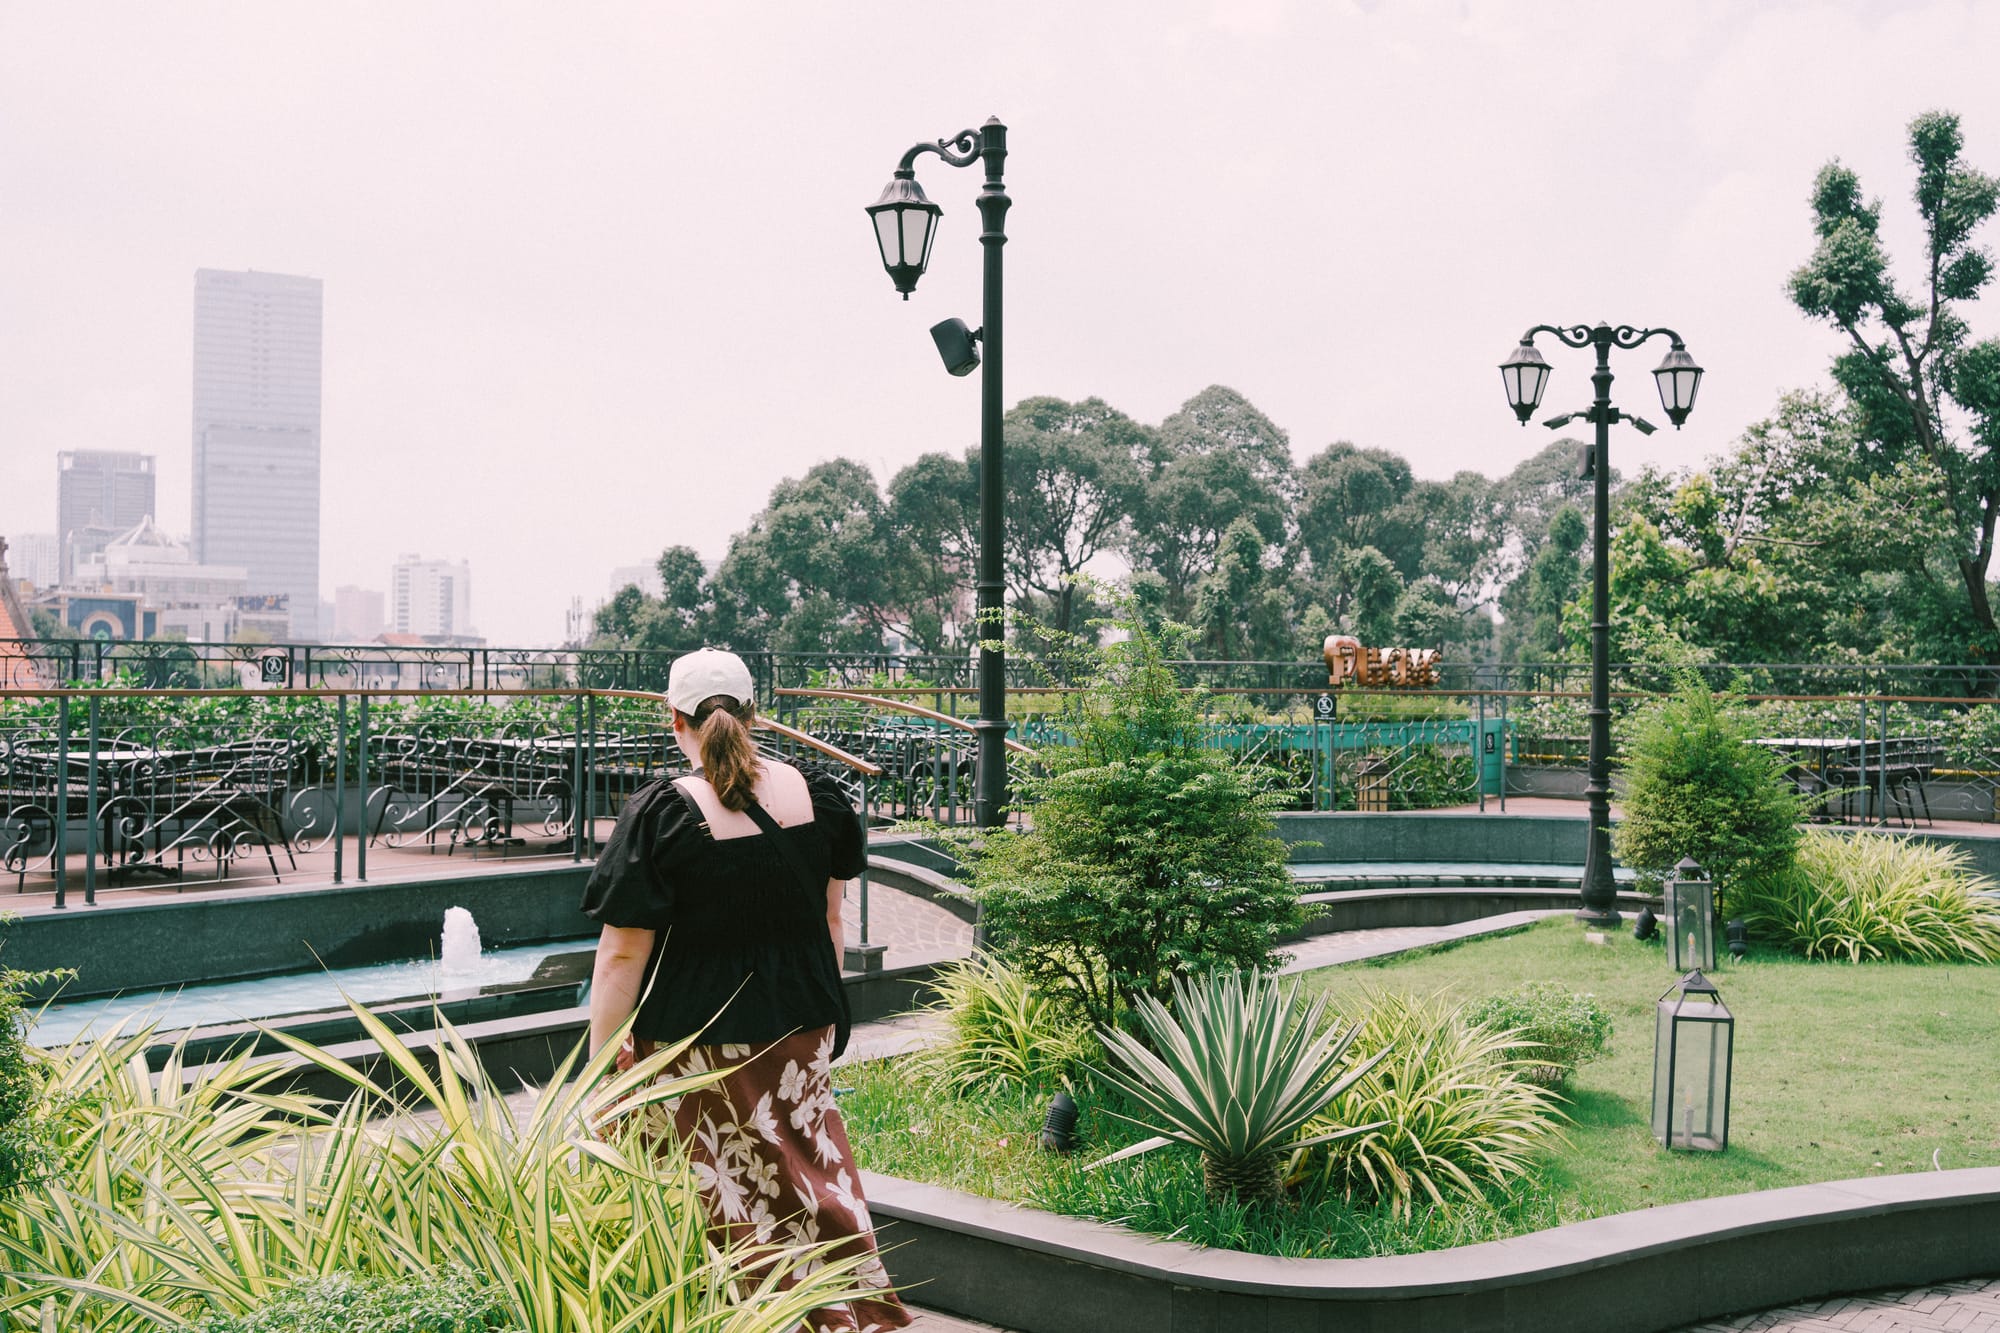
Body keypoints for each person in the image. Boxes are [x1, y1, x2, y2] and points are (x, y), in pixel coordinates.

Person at [582, 648, 909, 1332]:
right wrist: (819, 1013)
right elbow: (830, 920)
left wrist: (601, 1066)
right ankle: (843, 1310)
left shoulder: (662, 814)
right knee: (810, 1177)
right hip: (799, 1029)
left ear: (674, 718)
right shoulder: (818, 796)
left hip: (697, 1045)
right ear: (754, 714)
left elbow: (620, 956)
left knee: (719, 1201)